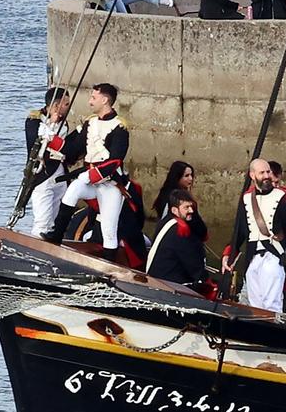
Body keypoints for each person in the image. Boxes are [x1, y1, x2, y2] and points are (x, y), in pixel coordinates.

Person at [45, 83, 131, 257]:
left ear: (105, 100)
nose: (90, 101)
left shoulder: (120, 127)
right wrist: (50, 138)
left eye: (94, 97)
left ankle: (109, 266)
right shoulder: (90, 122)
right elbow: (72, 149)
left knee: (109, 231)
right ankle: (55, 238)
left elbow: (115, 161)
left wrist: (90, 175)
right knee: (72, 191)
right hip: (89, 181)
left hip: (109, 184)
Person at [232, 158, 286, 313]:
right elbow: (240, 231)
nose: (266, 176)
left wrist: (281, 233)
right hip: (252, 257)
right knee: (254, 305)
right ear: (252, 175)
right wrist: (230, 253)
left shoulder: (282, 197)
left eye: (268, 172)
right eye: (262, 172)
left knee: (272, 305)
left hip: (273, 256)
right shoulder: (246, 199)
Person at [21, 87, 73, 237]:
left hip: (59, 173)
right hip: (42, 173)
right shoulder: (34, 120)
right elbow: (35, 144)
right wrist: (51, 123)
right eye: (66, 104)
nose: (68, 107)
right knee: (42, 220)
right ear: (56, 105)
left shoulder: (64, 122)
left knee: (56, 220)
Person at [146, 190, 210, 290]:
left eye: (191, 207)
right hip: (167, 282)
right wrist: (205, 280)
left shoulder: (166, 221)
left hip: (156, 274)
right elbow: (191, 262)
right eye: (186, 208)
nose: (191, 211)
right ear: (175, 210)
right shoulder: (180, 228)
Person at [155, 161, 208, 252]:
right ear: (177, 177)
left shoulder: (164, 194)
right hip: (180, 243)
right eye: (186, 176)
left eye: (191, 175)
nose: (191, 179)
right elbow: (198, 227)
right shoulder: (182, 200)